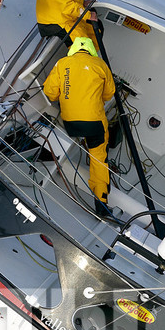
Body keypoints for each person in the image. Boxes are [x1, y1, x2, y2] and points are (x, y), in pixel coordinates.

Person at [43, 35, 115, 216]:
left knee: (86, 138)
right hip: (94, 125)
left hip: (71, 124)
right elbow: (108, 95)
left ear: (73, 49)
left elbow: (50, 93)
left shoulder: (62, 63)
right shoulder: (101, 65)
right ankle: (101, 203)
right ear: (91, 50)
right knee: (99, 158)